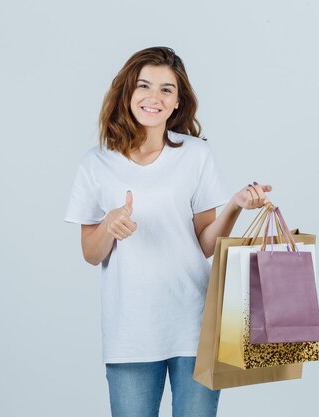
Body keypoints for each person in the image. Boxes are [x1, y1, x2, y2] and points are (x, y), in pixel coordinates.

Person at [64, 46, 272, 417]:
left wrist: (236, 205)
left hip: (196, 325)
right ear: (128, 92)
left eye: (166, 89)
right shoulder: (96, 163)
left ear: (177, 102)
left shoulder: (195, 155)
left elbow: (204, 245)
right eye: (144, 86)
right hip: (129, 331)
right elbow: (90, 253)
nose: (154, 98)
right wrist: (109, 225)